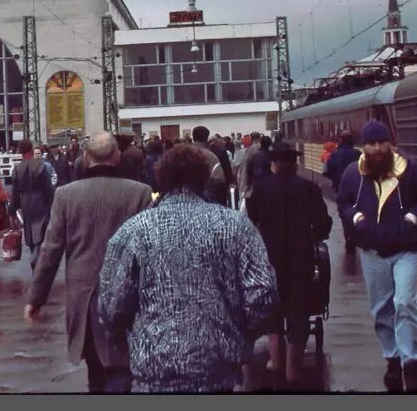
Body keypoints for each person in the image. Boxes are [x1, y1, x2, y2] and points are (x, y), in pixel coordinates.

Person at [97, 144, 278, 393]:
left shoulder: (134, 230)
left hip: (154, 369)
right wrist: (243, 335)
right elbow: (262, 293)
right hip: (218, 368)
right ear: (204, 178)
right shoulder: (236, 226)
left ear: (162, 178)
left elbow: (111, 303)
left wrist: (127, 339)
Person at [25, 132, 152, 394]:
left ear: (85, 158)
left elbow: (51, 251)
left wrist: (36, 298)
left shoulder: (66, 196)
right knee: (122, 366)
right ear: (117, 157)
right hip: (129, 296)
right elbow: (150, 249)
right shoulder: (140, 193)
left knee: (95, 368)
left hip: (85, 296)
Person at [336, 119, 417, 393]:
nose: (378, 148)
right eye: (372, 143)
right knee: (382, 309)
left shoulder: (410, 170)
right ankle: (392, 358)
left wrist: (413, 217)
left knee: (405, 302)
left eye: (382, 142)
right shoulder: (352, 175)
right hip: (372, 252)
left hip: (406, 248)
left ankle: (410, 363)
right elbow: (343, 202)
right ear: (364, 146)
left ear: (391, 143)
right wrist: (356, 217)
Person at [246, 140, 332, 389]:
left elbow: (251, 221)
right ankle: (293, 369)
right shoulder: (308, 188)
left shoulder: (260, 189)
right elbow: (324, 224)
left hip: (269, 259)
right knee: (298, 312)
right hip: (300, 259)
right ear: (294, 163)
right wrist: (312, 235)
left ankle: (275, 361)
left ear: (273, 163)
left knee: (273, 310)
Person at [9, 140, 55, 270]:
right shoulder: (41, 166)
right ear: (31, 150)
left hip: (26, 204)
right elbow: (48, 189)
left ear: (20, 151)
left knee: (29, 231)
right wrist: (52, 205)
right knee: (41, 232)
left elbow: (15, 193)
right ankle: (37, 256)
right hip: (40, 202)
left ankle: (34, 257)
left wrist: (12, 211)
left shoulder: (17, 169)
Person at [324, 130, 362, 253]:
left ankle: (349, 237)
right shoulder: (358, 154)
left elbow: (327, 171)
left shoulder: (334, 155)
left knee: (344, 213)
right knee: (359, 210)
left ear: (340, 140)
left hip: (341, 189)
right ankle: (357, 234)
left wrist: (335, 180)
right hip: (359, 189)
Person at [190, 125, 233, 207]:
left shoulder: (182, 153)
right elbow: (222, 176)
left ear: (193, 136)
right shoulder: (214, 153)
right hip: (212, 195)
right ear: (207, 137)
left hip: (189, 194)